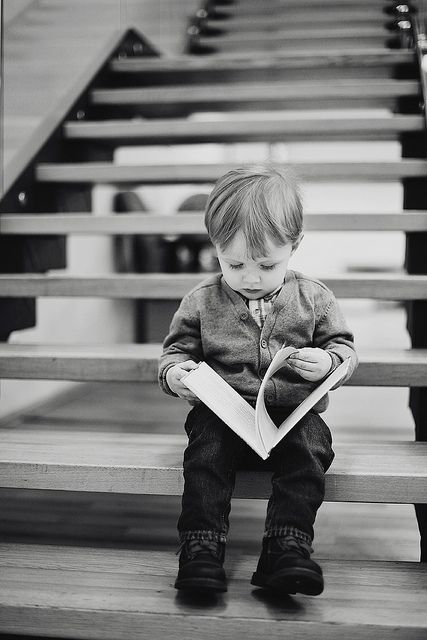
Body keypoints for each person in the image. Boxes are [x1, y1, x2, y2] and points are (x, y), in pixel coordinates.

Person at [158, 164, 358, 596]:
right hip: (224, 417)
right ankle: (201, 549)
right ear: (215, 247)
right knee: (205, 452)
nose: (250, 277)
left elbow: (344, 351)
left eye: (267, 264)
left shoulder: (315, 298)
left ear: (295, 245)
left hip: (288, 418)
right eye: (234, 263)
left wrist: (327, 364)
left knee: (312, 447)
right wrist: (177, 375)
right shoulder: (200, 301)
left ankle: (286, 548)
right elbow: (175, 353)